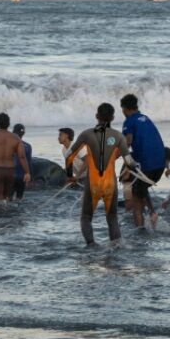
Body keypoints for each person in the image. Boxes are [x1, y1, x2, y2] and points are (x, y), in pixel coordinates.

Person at [66, 103, 139, 245]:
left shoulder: (87, 134)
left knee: (86, 217)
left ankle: (91, 246)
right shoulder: (118, 136)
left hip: (93, 183)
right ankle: (116, 248)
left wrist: (70, 176)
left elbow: (69, 156)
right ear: (112, 118)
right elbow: (129, 161)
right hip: (110, 184)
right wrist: (135, 166)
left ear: (96, 116)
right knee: (112, 218)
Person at [120, 94, 166, 228]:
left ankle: (141, 230)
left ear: (124, 108)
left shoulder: (129, 121)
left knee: (136, 201)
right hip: (160, 164)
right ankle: (152, 211)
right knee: (140, 187)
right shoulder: (146, 118)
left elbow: (127, 143)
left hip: (147, 166)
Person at [12, 123, 34, 200]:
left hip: (10, 176)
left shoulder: (7, 145)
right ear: (23, 133)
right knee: (19, 198)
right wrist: (31, 178)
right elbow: (29, 163)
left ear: (13, 132)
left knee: (8, 199)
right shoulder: (27, 146)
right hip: (22, 177)